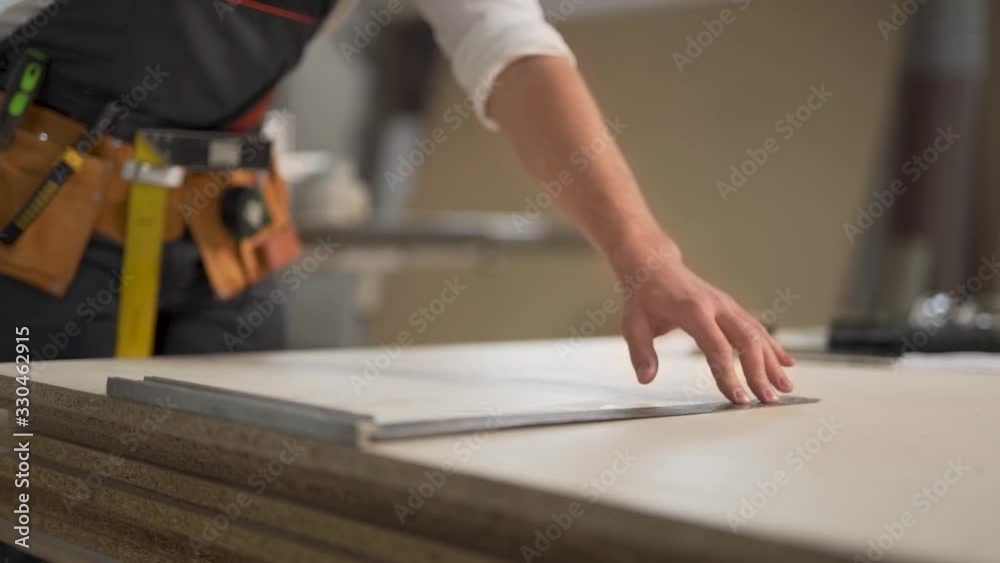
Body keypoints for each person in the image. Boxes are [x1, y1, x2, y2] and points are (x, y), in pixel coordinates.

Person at [0, 1, 794, 403]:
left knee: (231, 500)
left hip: (219, 238)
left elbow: (509, 47)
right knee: (35, 506)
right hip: (39, 231)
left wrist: (647, 258)